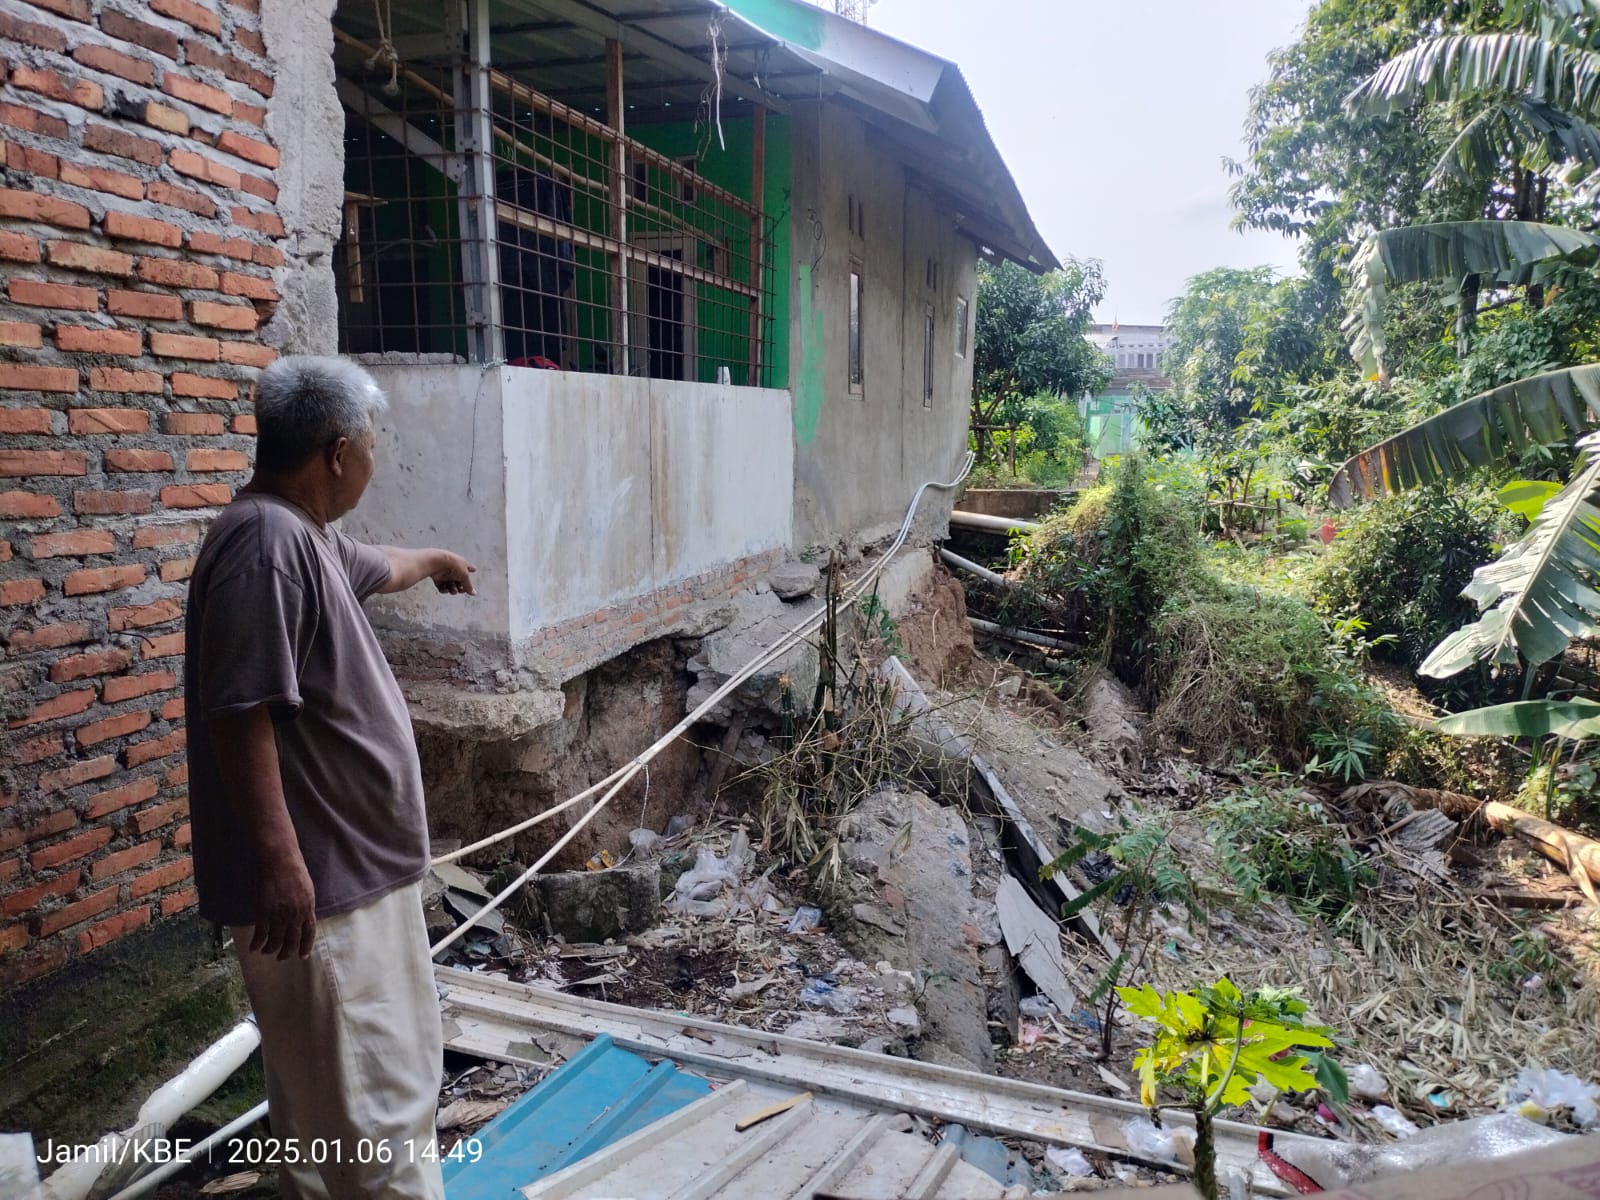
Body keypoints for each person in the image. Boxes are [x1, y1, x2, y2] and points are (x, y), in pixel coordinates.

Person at [184, 356, 474, 1200]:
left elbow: (374, 563)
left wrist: (438, 558)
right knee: (373, 1121)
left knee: (323, 1119)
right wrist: (282, 865)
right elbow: (239, 716)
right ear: (339, 453)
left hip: (348, 881)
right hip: (326, 895)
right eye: (373, 446)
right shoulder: (266, 548)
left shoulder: (300, 534)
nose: (376, 460)